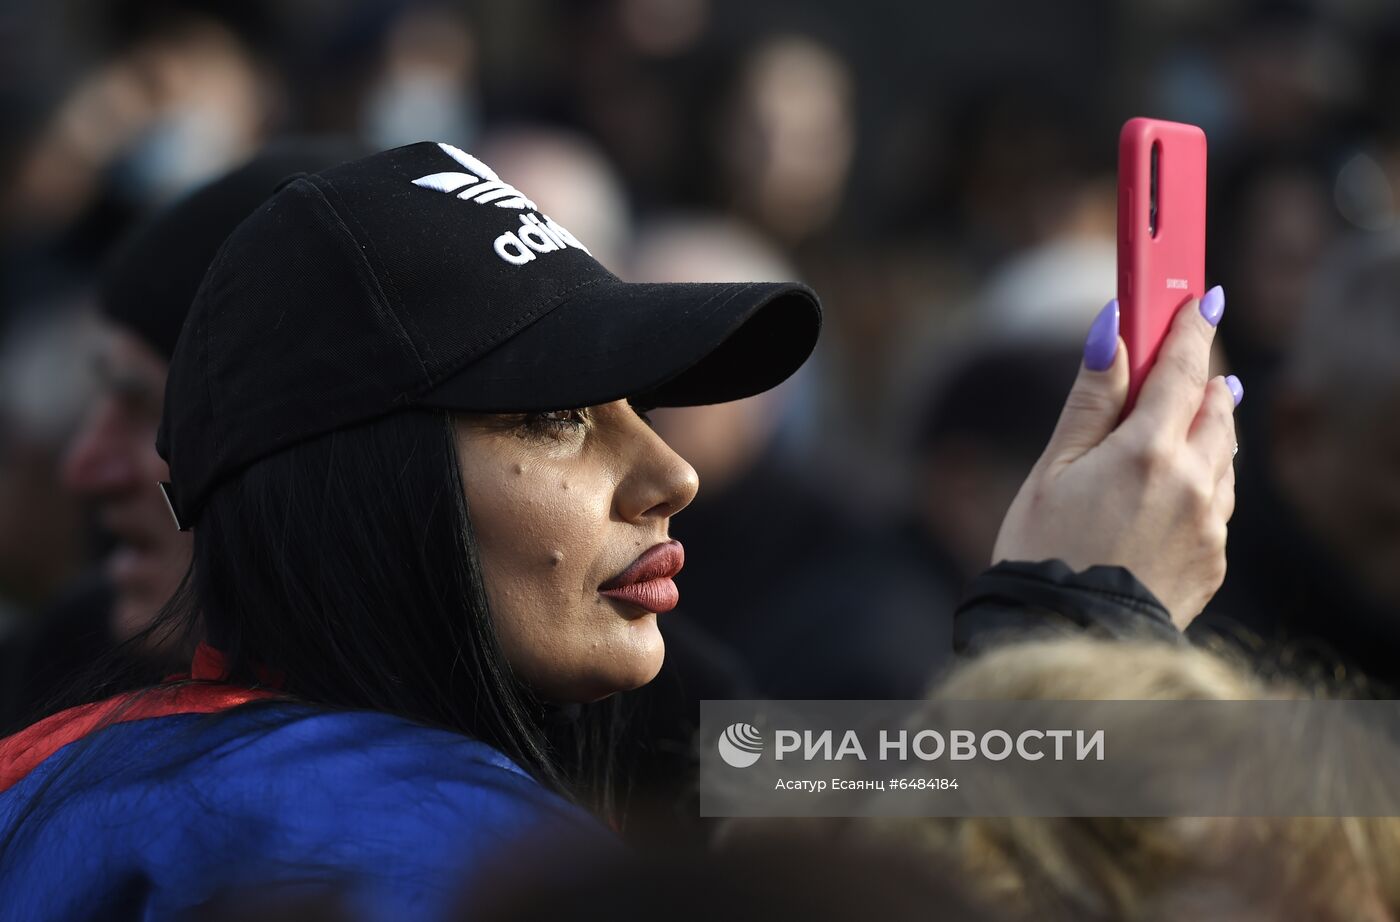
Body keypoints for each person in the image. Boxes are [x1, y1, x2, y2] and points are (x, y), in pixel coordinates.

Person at [1, 142, 1237, 921]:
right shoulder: (387, 830)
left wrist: (1076, 624)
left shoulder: (87, 754)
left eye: (632, 402)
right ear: (336, 473)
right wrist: (1079, 618)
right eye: (550, 411)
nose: (670, 469)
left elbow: (824, 782)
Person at [0, 140, 366, 735]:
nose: (85, 467)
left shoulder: (529, 769)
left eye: (148, 408)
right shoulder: (62, 665)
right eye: (106, 398)